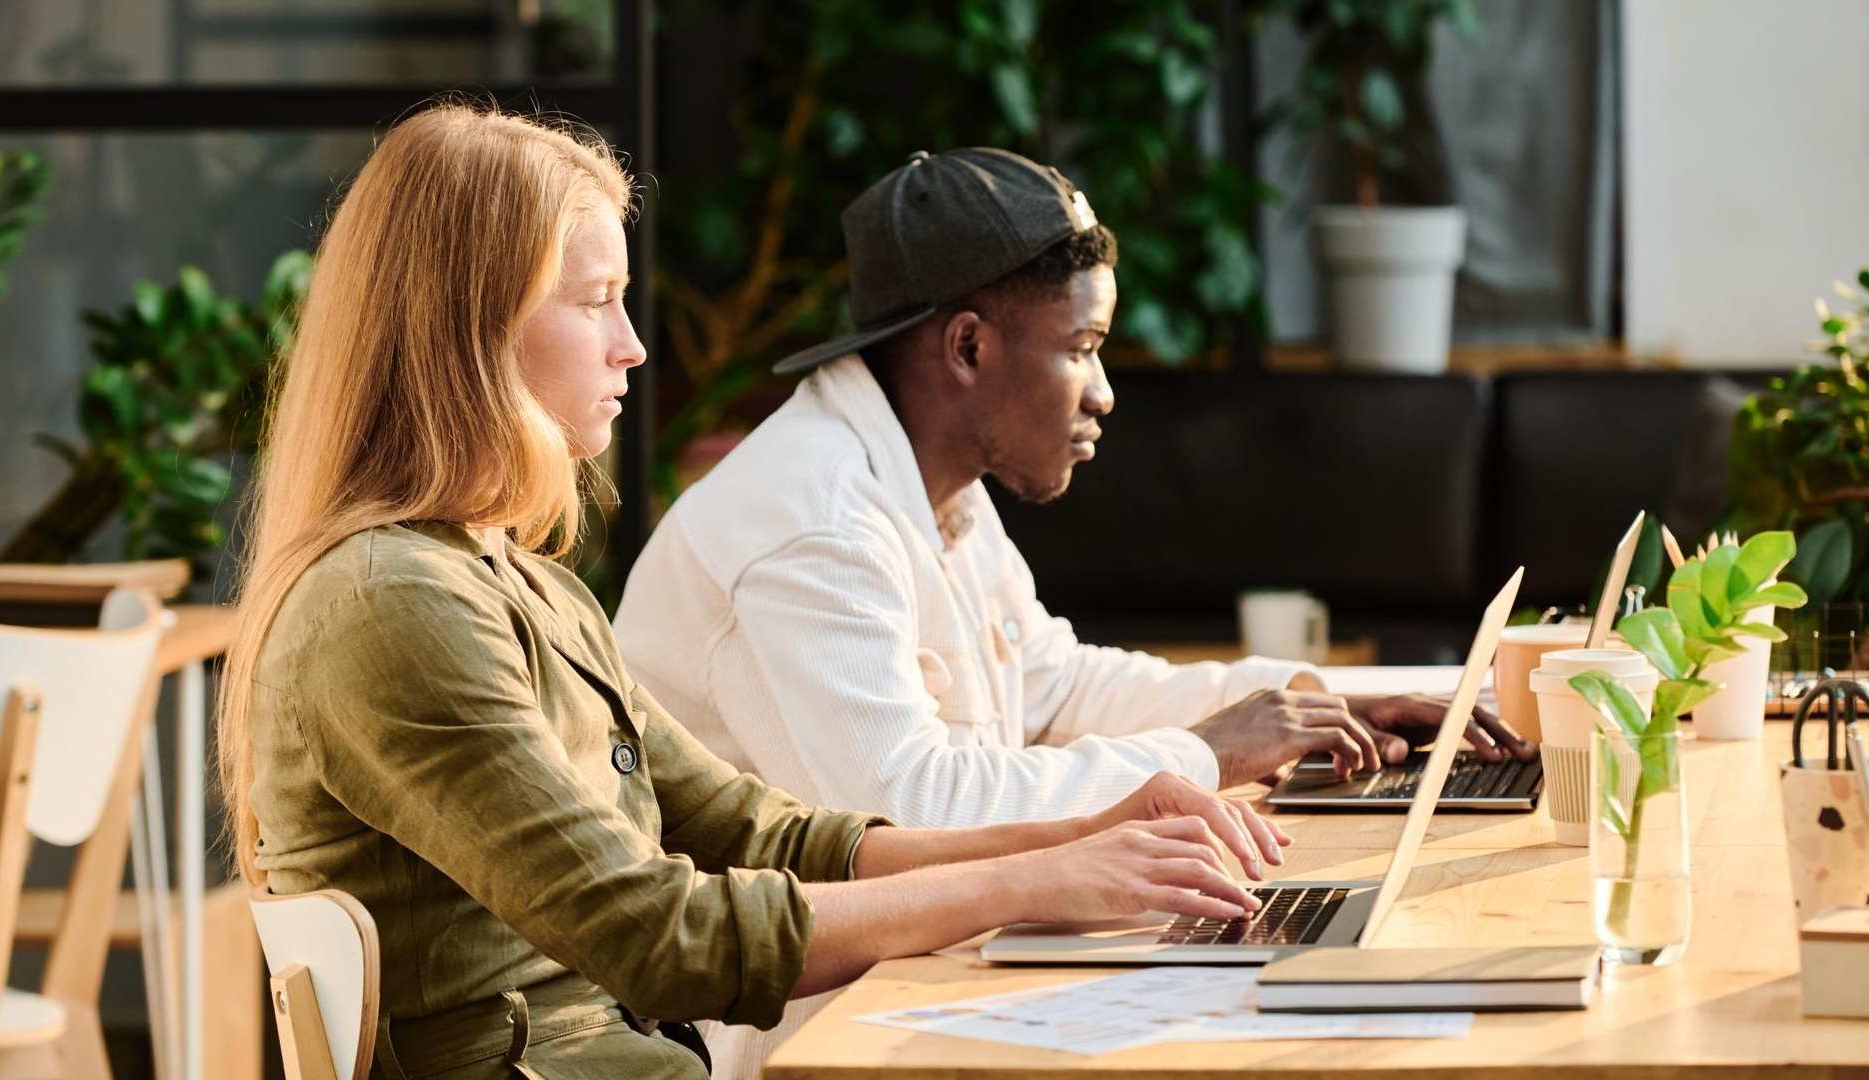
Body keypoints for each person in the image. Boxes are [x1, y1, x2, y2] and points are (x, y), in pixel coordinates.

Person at [217, 105, 1292, 1080]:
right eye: (595, 303)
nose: (633, 348)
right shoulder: (389, 605)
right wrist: (1040, 881)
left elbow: (769, 835)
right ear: (469, 330)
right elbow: (660, 934)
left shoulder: (515, 583)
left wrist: (1079, 838)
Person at [613, 147, 1532, 1078]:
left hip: (932, 974)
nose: (1103, 393)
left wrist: (1302, 703)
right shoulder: (812, 524)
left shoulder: (936, 488)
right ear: (968, 346)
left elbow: (1055, 683)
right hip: (808, 1033)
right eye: (1082, 349)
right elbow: (906, 821)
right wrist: (1208, 754)